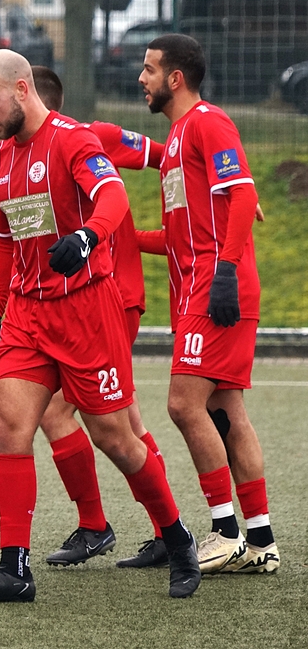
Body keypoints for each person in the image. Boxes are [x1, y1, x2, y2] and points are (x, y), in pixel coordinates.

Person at [0, 50, 200, 603]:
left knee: (115, 438)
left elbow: (112, 195)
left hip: (87, 312)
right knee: (11, 425)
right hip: (26, 315)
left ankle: (177, 537)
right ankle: (14, 568)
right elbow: (3, 240)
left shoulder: (74, 140)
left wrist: (89, 236)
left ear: (22, 89)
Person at [139, 33, 278, 574]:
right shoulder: (177, 138)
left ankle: (224, 533)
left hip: (216, 287)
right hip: (201, 286)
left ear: (175, 78)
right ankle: (261, 541)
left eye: (150, 69)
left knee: (183, 405)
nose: (142, 78)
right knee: (225, 411)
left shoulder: (207, 122)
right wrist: (117, 236)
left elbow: (242, 193)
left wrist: (225, 272)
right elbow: (180, 236)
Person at [29, 66, 172, 569]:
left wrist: (230, 184)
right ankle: (165, 532)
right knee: (126, 420)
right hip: (80, 304)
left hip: (110, 298)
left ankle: (97, 525)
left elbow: (171, 157)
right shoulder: (24, 159)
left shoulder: (91, 138)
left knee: (58, 413)